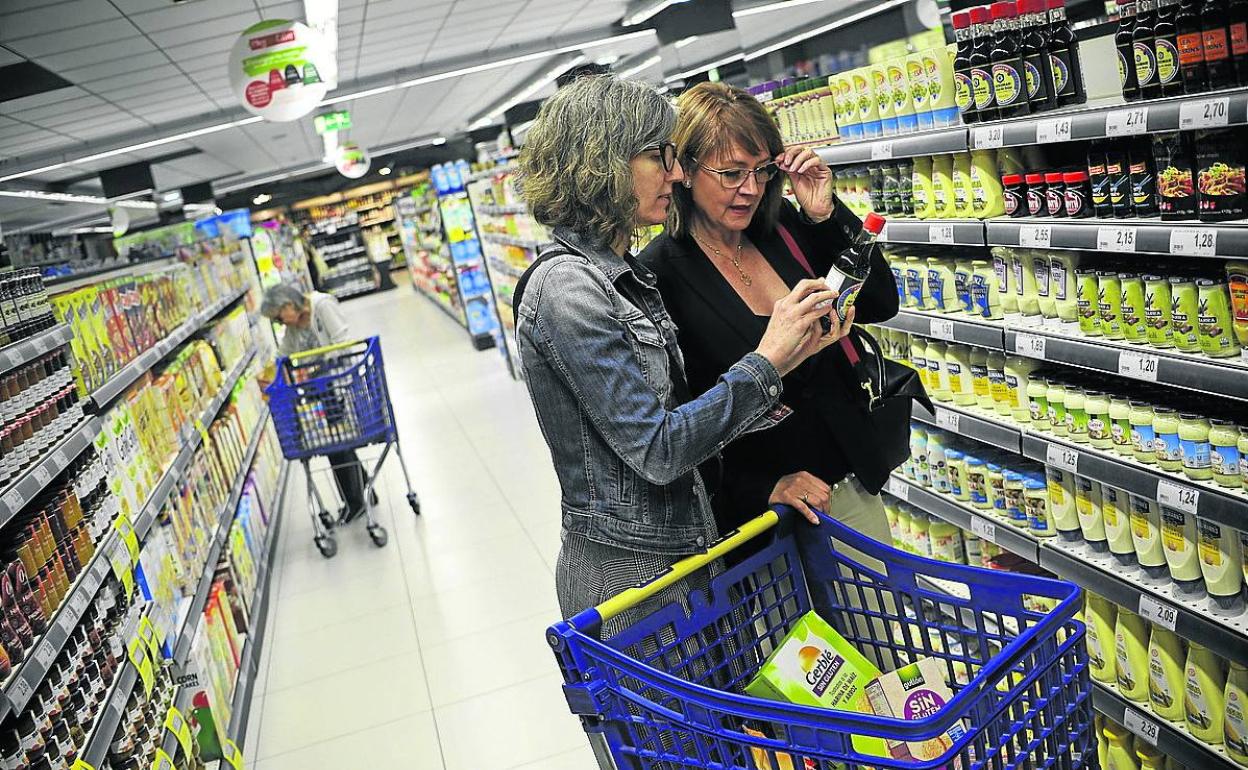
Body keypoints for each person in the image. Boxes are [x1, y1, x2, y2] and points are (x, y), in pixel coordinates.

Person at [513, 75, 852, 634]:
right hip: (632, 584)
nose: (675, 173)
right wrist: (769, 361)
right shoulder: (570, 290)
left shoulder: (627, 277)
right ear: (602, 162)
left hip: (690, 552)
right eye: (657, 156)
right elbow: (659, 449)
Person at [640, 81, 903, 550]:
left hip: (849, 483)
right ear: (686, 171)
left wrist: (825, 215)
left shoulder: (780, 225)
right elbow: (673, 424)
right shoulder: (660, 275)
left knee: (881, 622)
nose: (751, 189)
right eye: (731, 173)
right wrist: (760, 488)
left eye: (761, 170)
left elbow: (882, 302)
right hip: (766, 518)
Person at [260, 283, 369, 521]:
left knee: (337, 443)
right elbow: (284, 355)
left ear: (288, 305)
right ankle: (364, 491)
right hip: (322, 388)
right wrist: (270, 374)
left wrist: (321, 370)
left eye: (279, 316)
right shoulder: (294, 327)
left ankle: (355, 501)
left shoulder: (322, 305)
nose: (280, 322)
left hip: (341, 384)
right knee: (336, 440)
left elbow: (342, 340)